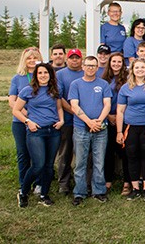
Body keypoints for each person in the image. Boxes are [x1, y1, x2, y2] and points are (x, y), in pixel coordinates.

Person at [13, 63, 64, 207]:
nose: (43, 75)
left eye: (46, 73)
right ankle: (23, 192)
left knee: (48, 165)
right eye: (40, 73)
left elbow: (59, 107)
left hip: (53, 130)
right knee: (38, 165)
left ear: (50, 74)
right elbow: (16, 110)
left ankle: (44, 194)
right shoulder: (28, 91)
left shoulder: (55, 89)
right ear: (36, 75)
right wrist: (28, 121)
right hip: (36, 132)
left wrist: (61, 120)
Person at [68, 55, 112, 206]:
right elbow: (74, 105)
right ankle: (79, 192)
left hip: (100, 128)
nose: (90, 68)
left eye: (93, 65)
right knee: (80, 162)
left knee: (99, 161)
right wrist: (88, 122)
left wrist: (98, 121)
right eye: (88, 65)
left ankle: (99, 191)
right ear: (83, 67)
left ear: (97, 67)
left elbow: (107, 104)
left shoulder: (104, 84)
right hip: (81, 128)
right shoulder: (76, 84)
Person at [116, 58, 145, 200]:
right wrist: (119, 131)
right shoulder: (126, 88)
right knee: (132, 157)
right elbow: (120, 111)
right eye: (137, 68)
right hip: (131, 127)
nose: (140, 70)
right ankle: (135, 188)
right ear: (132, 70)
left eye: (142, 67)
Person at [9, 47, 43, 195]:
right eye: (28, 58)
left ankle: (38, 183)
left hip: (40, 122)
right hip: (20, 122)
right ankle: (24, 183)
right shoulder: (18, 78)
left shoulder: (43, 76)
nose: (31, 61)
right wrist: (27, 116)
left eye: (35, 57)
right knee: (23, 153)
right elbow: (12, 101)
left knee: (39, 154)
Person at [101, 52, 132, 195]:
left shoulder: (127, 79)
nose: (116, 64)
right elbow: (99, 100)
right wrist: (108, 116)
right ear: (110, 62)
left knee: (125, 151)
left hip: (123, 119)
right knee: (107, 151)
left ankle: (127, 182)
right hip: (107, 119)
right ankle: (107, 181)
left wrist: (118, 117)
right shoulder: (103, 79)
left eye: (119, 62)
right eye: (114, 61)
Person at [55, 48, 85, 195]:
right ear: (67, 59)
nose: (74, 60)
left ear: (81, 59)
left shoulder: (86, 72)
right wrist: (75, 112)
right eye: (72, 58)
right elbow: (59, 97)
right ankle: (64, 183)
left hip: (85, 122)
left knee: (84, 154)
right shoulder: (60, 74)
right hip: (67, 120)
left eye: (77, 58)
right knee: (65, 153)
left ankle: (83, 182)